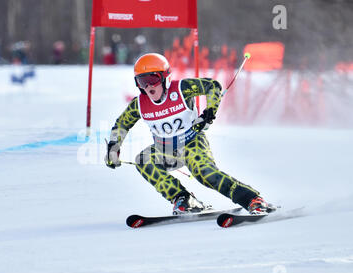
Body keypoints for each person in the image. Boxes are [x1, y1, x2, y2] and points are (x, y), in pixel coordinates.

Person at [104, 53, 275, 215]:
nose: (148, 87)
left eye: (152, 79)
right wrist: (114, 147)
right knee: (143, 161)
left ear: (165, 77)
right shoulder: (139, 104)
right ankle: (184, 199)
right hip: (166, 149)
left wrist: (209, 111)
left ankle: (253, 200)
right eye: (142, 82)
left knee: (205, 174)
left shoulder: (181, 88)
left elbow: (212, 86)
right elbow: (121, 124)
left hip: (192, 143)